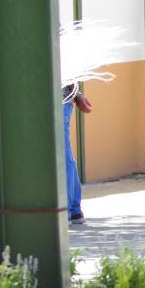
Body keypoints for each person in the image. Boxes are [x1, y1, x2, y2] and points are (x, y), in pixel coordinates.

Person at [63, 85, 91, 224]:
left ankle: (66, 211)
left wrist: (77, 94)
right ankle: (74, 210)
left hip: (57, 102)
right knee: (65, 154)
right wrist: (77, 94)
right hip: (62, 101)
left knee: (62, 156)